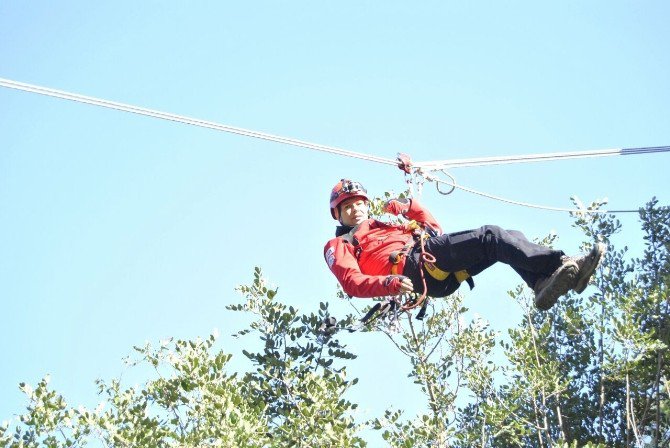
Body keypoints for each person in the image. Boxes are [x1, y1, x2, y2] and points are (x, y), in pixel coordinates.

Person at [323, 179, 605, 310]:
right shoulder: (340, 244)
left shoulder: (388, 226)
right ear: (338, 213)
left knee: (507, 237)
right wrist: (387, 284)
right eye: (348, 206)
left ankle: (543, 283)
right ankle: (563, 264)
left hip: (435, 272)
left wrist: (410, 207)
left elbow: (434, 231)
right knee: (490, 236)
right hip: (413, 267)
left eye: (360, 203)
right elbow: (351, 281)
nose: (356, 209)